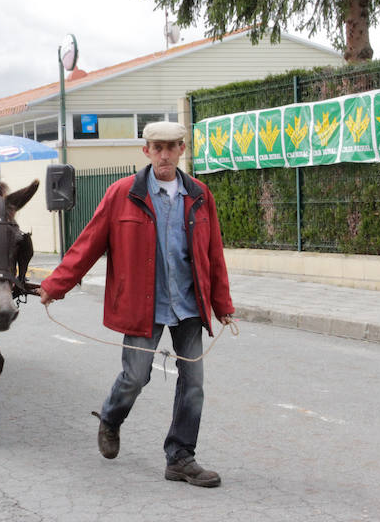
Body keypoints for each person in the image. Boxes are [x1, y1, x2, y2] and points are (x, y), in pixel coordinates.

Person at [39, 122, 235, 489]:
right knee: (135, 376)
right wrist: (55, 285)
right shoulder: (122, 194)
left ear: (181, 150)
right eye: (157, 147)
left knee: (193, 383)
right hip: (142, 303)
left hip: (189, 303)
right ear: (145, 151)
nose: (164, 154)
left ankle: (180, 457)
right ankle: (111, 418)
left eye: (171, 147)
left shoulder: (199, 195)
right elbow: (88, 244)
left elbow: (213, 253)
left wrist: (222, 302)